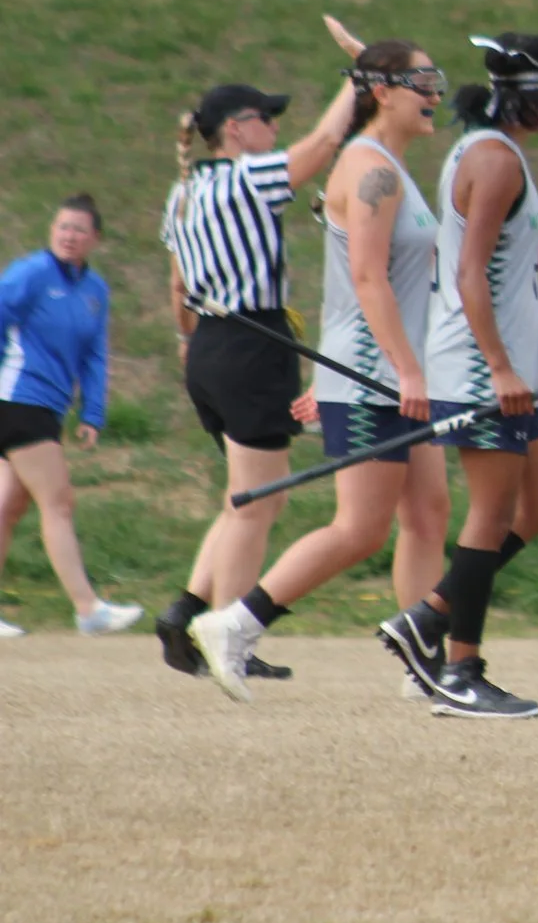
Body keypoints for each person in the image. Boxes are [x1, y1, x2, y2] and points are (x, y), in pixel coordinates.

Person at [189, 40, 450, 700]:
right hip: (375, 377)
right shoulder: (370, 169)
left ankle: (427, 663)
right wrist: (405, 371)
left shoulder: (393, 166)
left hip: (384, 372)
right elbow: (365, 278)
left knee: (428, 512)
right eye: (422, 80)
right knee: (360, 528)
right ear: (382, 90)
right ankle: (236, 623)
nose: (436, 94)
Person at [377, 33, 538, 719]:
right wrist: (499, 365)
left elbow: (484, 243)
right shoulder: (497, 160)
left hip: (501, 365)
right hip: (481, 366)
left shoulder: (481, 150)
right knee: (494, 511)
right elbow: (470, 269)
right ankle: (459, 667)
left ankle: (427, 616)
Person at [154, 40, 361, 679]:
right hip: (251, 342)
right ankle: (227, 636)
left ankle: (189, 607)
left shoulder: (182, 192)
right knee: (258, 503)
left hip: (209, 345)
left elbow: (178, 287)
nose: (275, 130)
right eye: (266, 119)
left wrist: (193, 343)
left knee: (241, 496)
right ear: (237, 130)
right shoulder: (247, 175)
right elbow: (325, 143)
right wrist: (362, 76)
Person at [0, 195, 143, 637]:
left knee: (9, 505)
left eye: (80, 229)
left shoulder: (95, 290)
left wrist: (93, 412)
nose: (69, 236)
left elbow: (95, 354)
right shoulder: (30, 273)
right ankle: (87, 608)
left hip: (47, 404)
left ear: (96, 238)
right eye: (63, 226)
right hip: (18, 398)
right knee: (58, 501)